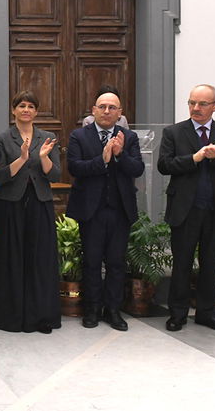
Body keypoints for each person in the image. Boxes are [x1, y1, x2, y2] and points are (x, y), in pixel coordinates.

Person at [66, 91, 143, 331]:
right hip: (91, 211)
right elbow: (75, 168)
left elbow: (137, 169)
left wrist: (119, 155)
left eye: (112, 107)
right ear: (94, 110)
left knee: (116, 263)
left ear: (120, 113)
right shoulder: (79, 135)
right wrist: (103, 159)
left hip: (120, 210)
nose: (107, 111)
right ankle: (91, 310)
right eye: (103, 106)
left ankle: (113, 310)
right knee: (91, 262)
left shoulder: (129, 138)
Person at [0, 90, 61, 333]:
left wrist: (42, 158)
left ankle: (40, 317)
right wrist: (22, 158)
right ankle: (11, 317)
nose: (26, 110)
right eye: (21, 105)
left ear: (36, 111)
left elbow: (55, 174)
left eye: (31, 106)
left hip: (40, 203)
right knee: (11, 258)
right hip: (10, 204)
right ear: (13, 110)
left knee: (39, 259)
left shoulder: (48, 137)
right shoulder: (2, 138)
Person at [158, 84, 215, 334]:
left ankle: (207, 313)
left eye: (202, 104)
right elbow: (164, 165)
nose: (195, 108)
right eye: (192, 103)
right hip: (185, 210)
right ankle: (177, 314)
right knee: (182, 263)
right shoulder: (174, 132)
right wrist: (196, 158)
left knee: (210, 265)